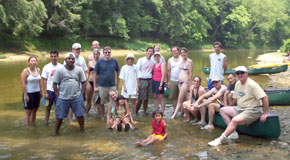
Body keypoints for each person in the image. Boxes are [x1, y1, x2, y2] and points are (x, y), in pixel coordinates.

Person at [208, 66, 269, 146]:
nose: (240, 74)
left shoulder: (252, 84)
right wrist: (228, 106)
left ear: (246, 74)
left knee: (234, 120)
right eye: (238, 73)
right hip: (241, 108)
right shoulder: (237, 84)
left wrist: (265, 113)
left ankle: (220, 140)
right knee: (223, 110)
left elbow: (265, 97)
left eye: (242, 73)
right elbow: (235, 100)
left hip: (253, 110)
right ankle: (233, 133)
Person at [53, 53, 86, 135]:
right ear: (65, 60)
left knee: (80, 115)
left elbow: (84, 82)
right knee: (59, 117)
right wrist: (57, 96)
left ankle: (82, 130)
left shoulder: (79, 69)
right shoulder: (60, 70)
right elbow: (55, 84)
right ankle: (55, 132)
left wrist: (81, 94)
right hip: (63, 97)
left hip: (77, 96)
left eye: (72, 59)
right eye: (69, 59)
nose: (71, 60)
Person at [94, 46, 120, 123]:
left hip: (112, 85)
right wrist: (95, 86)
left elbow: (118, 72)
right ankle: (102, 117)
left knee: (114, 102)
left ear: (110, 53)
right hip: (102, 85)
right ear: (103, 53)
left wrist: (117, 84)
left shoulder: (115, 61)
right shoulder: (99, 62)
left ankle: (114, 116)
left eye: (109, 52)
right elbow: (95, 74)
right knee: (102, 102)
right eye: (105, 52)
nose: (107, 54)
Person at [67, 43, 88, 123]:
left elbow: (86, 71)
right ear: (72, 50)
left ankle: (79, 118)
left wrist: (85, 82)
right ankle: (70, 120)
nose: (78, 51)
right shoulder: (68, 59)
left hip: (81, 85)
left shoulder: (82, 59)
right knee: (71, 103)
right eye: (76, 49)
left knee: (80, 102)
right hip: (71, 85)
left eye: (79, 49)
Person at [41, 50, 62, 125]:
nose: (53, 58)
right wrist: (45, 92)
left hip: (59, 91)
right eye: (52, 56)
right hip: (49, 91)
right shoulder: (46, 67)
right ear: (50, 57)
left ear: (58, 57)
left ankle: (57, 123)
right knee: (47, 107)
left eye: (55, 56)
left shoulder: (61, 67)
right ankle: (46, 122)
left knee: (58, 108)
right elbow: (44, 80)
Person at [171, 47, 193, 119]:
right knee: (184, 98)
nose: (183, 54)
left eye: (184, 52)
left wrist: (189, 85)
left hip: (185, 82)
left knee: (179, 99)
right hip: (179, 82)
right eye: (181, 53)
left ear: (187, 53)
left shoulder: (189, 61)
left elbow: (190, 73)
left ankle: (174, 115)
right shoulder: (181, 61)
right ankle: (184, 113)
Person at [20, 55, 42, 126]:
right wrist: (25, 95)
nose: (33, 62)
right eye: (31, 61)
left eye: (34, 61)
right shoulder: (25, 71)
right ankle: (27, 127)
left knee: (35, 110)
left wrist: (41, 92)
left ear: (37, 62)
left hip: (37, 92)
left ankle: (33, 124)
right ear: (29, 62)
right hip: (29, 93)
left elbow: (39, 82)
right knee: (28, 111)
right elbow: (23, 84)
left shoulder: (38, 70)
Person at [135, 47, 155, 114]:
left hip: (149, 80)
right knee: (140, 98)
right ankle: (135, 112)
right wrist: (138, 83)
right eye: (149, 51)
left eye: (151, 52)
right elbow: (137, 71)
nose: (150, 53)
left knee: (147, 98)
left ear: (153, 53)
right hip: (142, 80)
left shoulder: (152, 62)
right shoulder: (141, 60)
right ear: (146, 52)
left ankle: (145, 111)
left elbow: (152, 72)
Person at [86, 49, 101, 115]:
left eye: (97, 54)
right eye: (94, 54)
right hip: (90, 82)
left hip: (98, 83)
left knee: (98, 101)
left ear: (99, 55)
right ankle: (85, 114)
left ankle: (98, 114)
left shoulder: (101, 63)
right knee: (88, 99)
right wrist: (85, 82)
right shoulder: (90, 63)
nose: (95, 56)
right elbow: (87, 73)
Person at [167, 46, 182, 114]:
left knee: (181, 96)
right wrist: (168, 81)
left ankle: (182, 111)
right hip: (173, 80)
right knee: (174, 97)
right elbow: (168, 71)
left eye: (175, 50)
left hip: (181, 81)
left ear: (178, 51)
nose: (174, 52)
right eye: (173, 51)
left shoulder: (183, 59)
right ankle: (175, 110)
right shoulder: (170, 60)